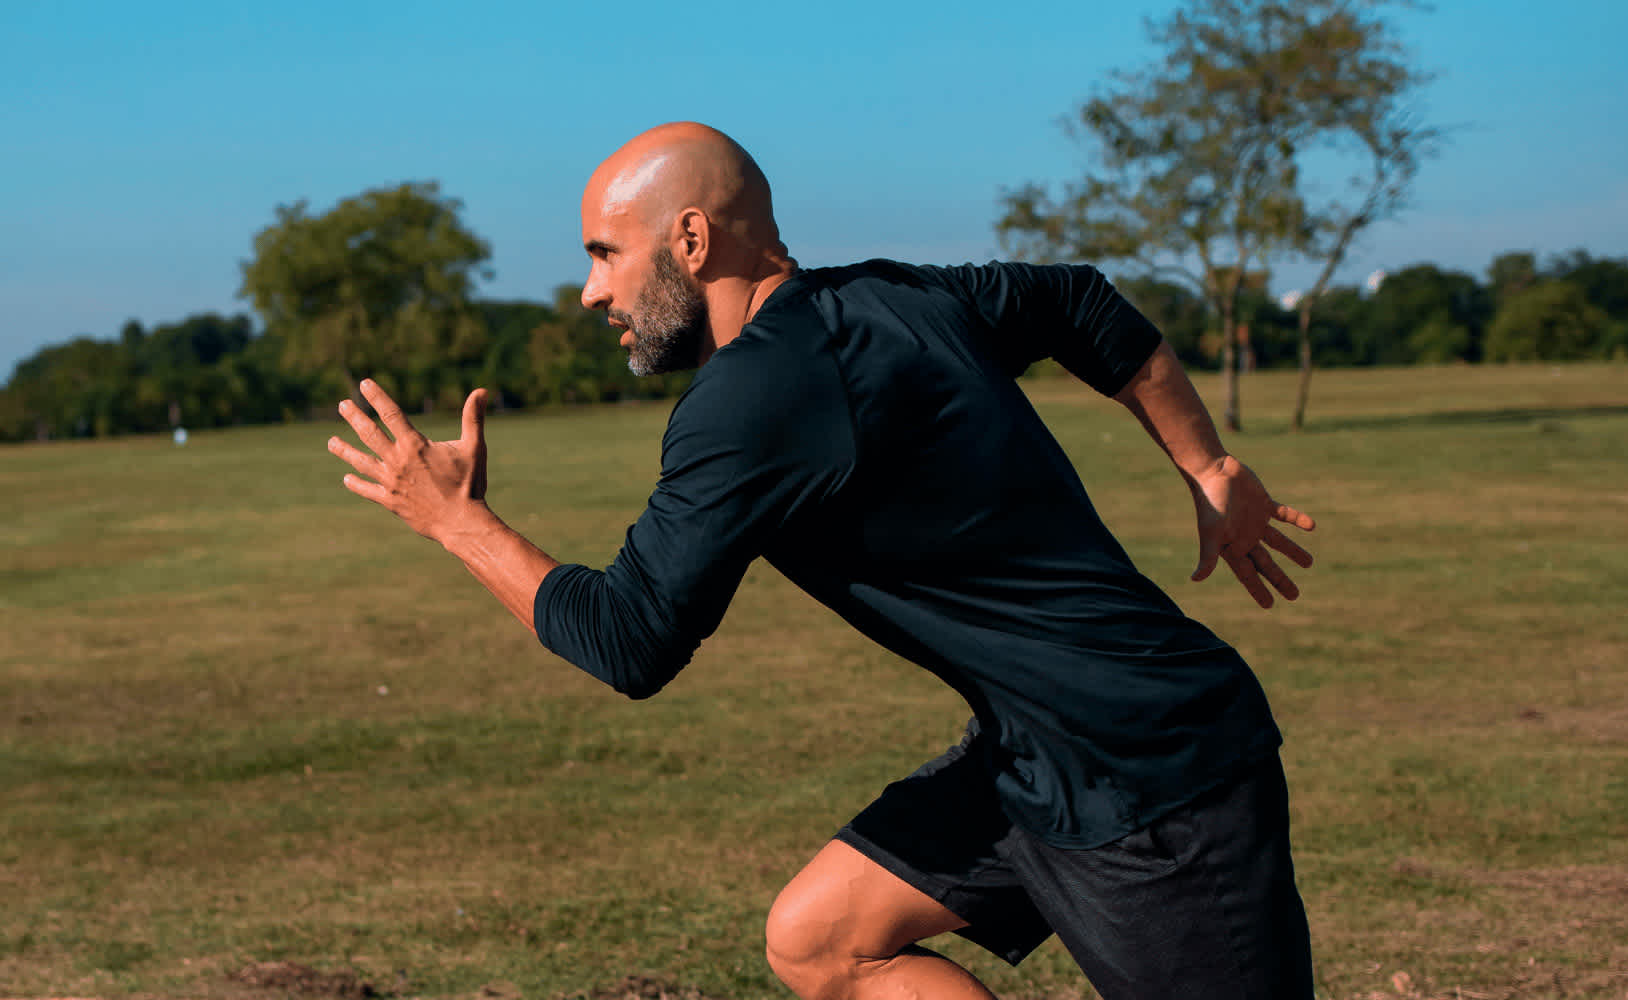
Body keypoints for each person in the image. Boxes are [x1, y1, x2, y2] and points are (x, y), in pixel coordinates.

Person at [326, 122, 1318, 1000]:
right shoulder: (888, 297)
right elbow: (1079, 303)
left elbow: (629, 639)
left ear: (689, 239)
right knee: (821, 940)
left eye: (603, 253)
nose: (590, 290)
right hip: (1037, 751)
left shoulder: (750, 400)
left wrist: (457, 522)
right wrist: (1208, 462)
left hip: (1154, 780)